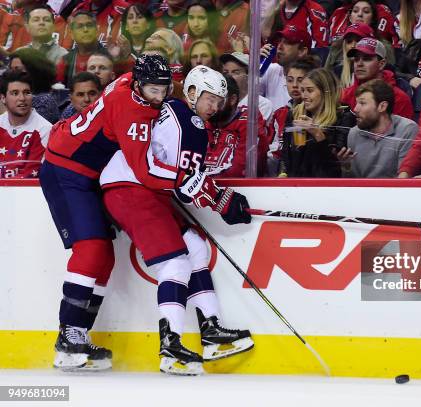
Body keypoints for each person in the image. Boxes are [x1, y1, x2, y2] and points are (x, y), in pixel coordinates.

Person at [100, 65, 253, 375]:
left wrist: (215, 195)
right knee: (175, 264)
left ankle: (211, 332)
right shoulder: (185, 119)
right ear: (192, 92)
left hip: (143, 190)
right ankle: (170, 348)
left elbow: (180, 181)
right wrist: (220, 200)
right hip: (130, 189)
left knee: (195, 249)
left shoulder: (184, 116)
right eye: (210, 98)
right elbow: (179, 182)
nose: (214, 107)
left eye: (220, 102)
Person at [38, 55, 179, 372]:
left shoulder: (130, 80)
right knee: (92, 249)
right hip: (65, 171)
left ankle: (78, 335)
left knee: (106, 256)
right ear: (140, 84)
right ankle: (67, 337)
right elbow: (145, 171)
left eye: (164, 89)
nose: (159, 97)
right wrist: (188, 182)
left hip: (85, 173)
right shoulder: (133, 112)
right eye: (153, 90)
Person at [280, 68, 354, 177]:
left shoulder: (344, 117)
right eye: (303, 90)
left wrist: (317, 134)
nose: (304, 96)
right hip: (295, 184)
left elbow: (334, 162)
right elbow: (286, 152)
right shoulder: (295, 114)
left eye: (310, 91)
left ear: (326, 92)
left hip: (325, 185)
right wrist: (283, 174)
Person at [339, 79, 418, 177]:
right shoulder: (354, 133)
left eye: (362, 103)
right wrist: (346, 168)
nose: (355, 109)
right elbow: (354, 183)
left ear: (382, 106)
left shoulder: (407, 129)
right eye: (356, 103)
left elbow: (404, 179)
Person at [204, 74, 268, 177]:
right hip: (204, 188)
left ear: (232, 100)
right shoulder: (204, 123)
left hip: (241, 190)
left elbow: (239, 171)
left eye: (215, 99)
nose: (209, 106)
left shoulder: (249, 121)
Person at [341, 37, 414, 119]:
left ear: (381, 64)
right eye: (356, 59)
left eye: (366, 59)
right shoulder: (345, 95)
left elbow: (404, 131)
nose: (359, 64)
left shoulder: (399, 99)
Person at [0, 70, 51, 178]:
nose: (22, 98)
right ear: (3, 98)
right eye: (15, 93)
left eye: (27, 92)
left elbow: (32, 176)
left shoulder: (45, 130)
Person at [8, 47, 60, 123]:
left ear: (34, 71)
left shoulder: (45, 101)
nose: (12, 75)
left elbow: (23, 129)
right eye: (11, 70)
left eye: (18, 70)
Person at [56, 11, 107, 86]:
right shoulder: (65, 58)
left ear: (97, 30)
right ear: (72, 34)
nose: (85, 30)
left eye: (89, 25)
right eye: (79, 26)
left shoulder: (109, 58)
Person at [220, 52, 274, 122]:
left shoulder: (261, 104)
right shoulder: (219, 102)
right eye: (226, 72)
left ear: (249, 76)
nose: (229, 76)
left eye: (235, 72)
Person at [325, 22, 375, 88]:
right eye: (349, 42)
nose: (353, 46)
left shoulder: (384, 71)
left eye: (358, 40)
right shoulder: (337, 72)